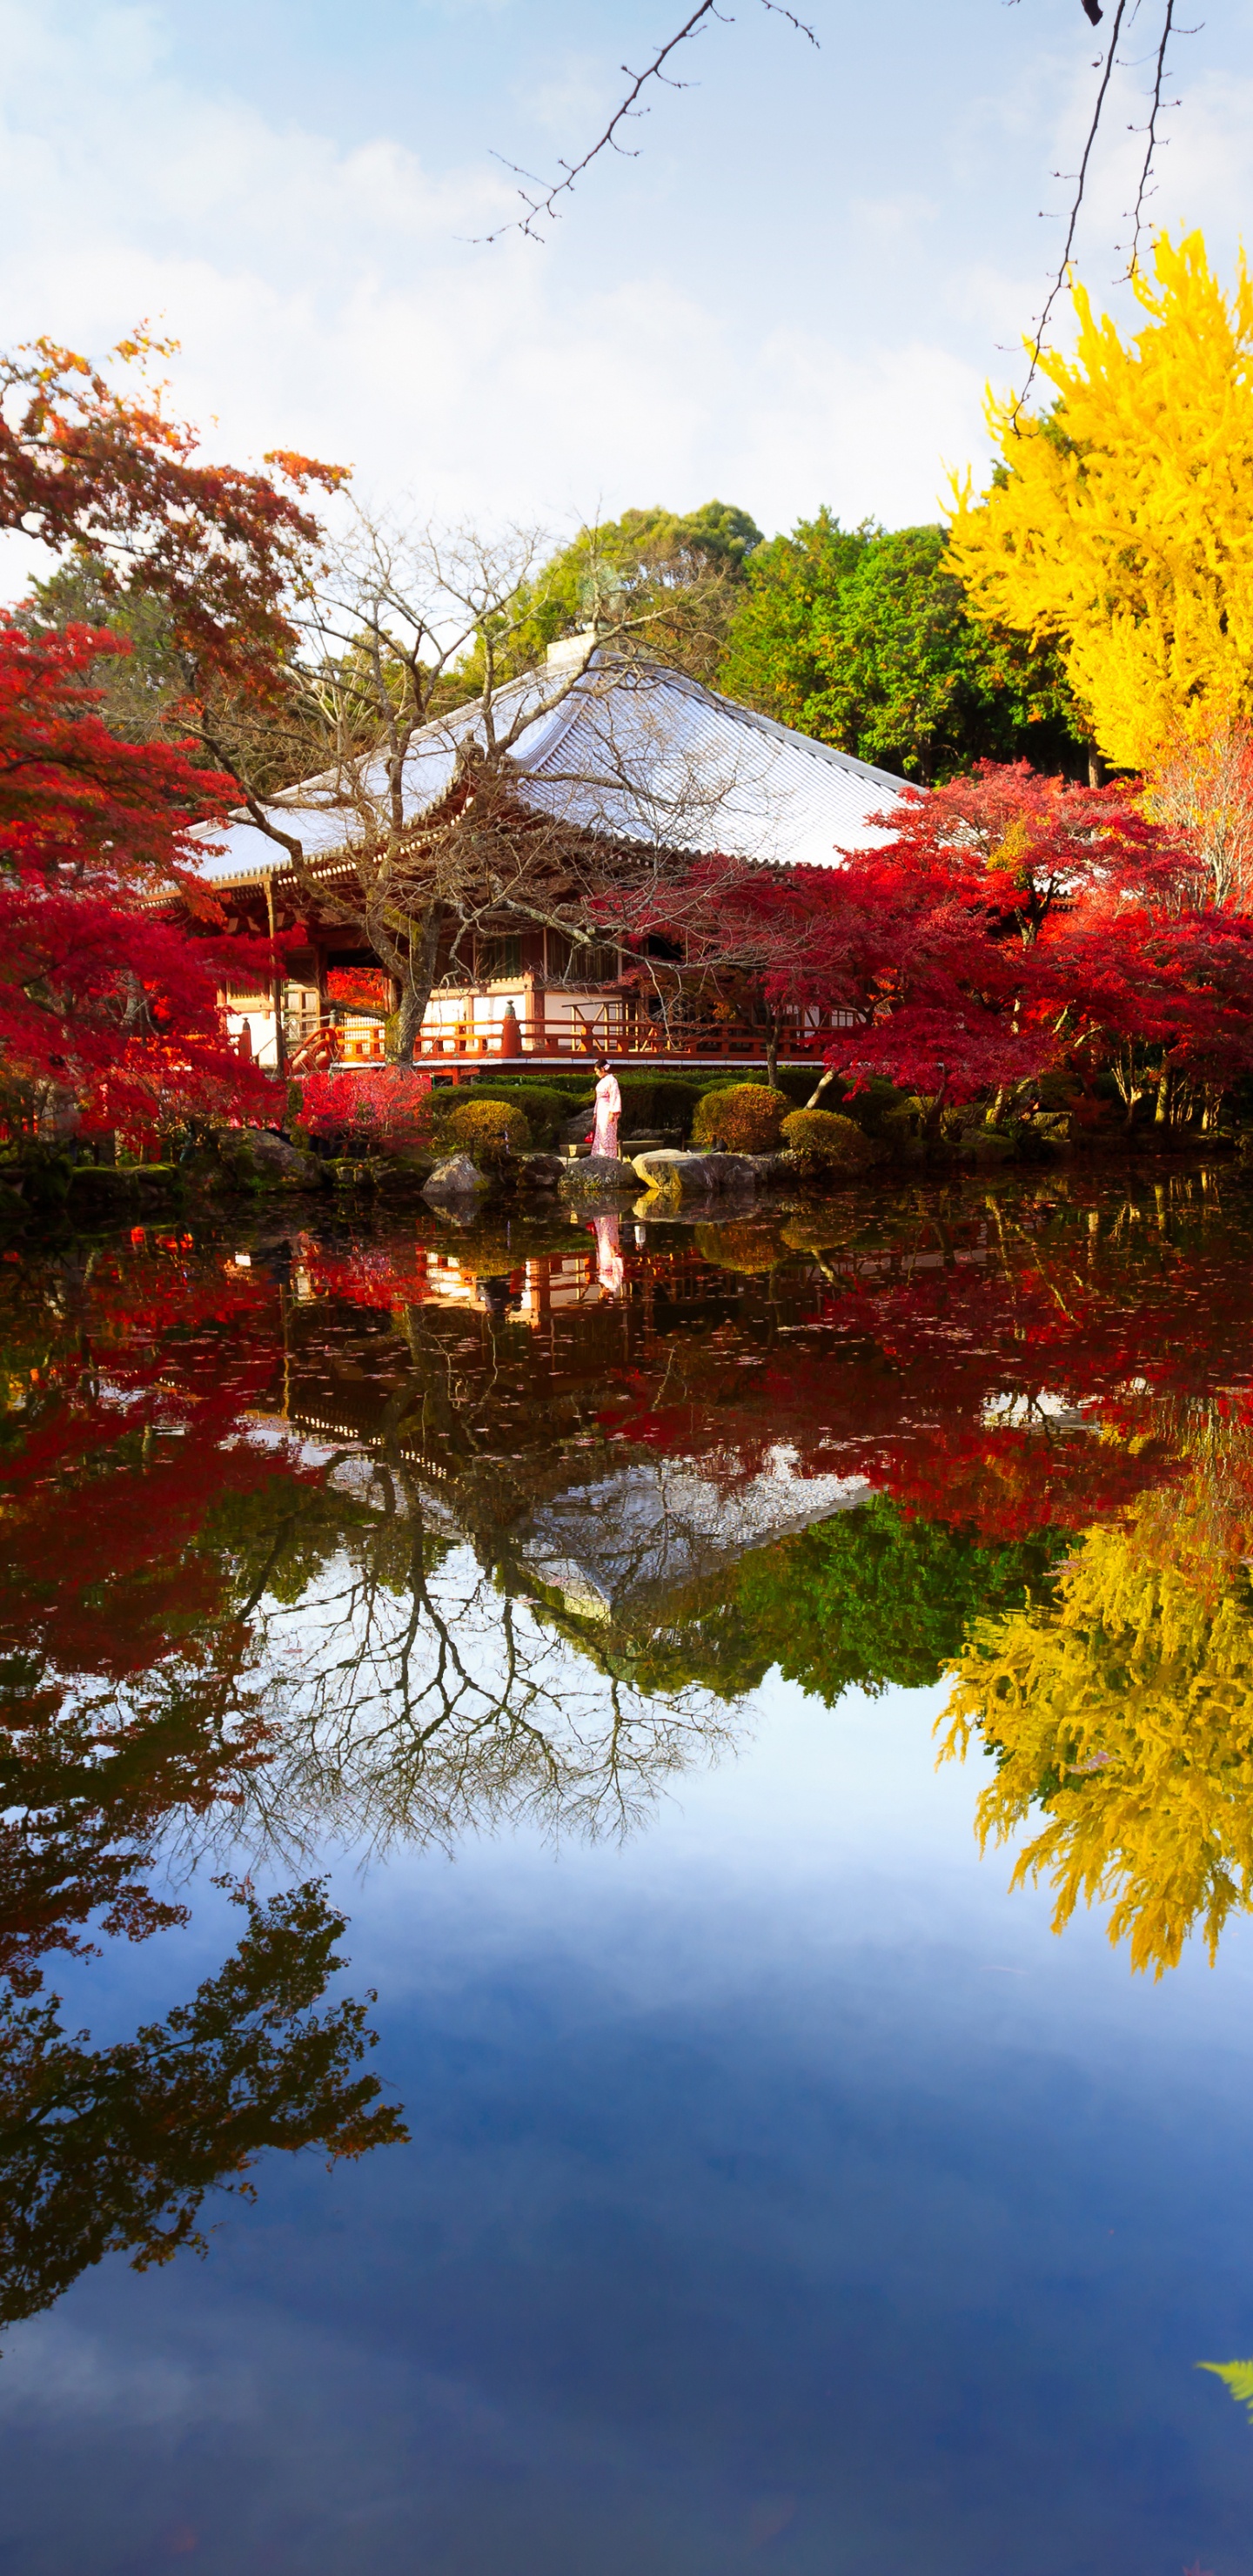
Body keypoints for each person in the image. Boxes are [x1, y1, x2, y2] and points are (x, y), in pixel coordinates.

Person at [590, 1055, 622, 1159]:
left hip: (608, 1109)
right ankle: (599, 1154)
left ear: (602, 1069)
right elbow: (598, 1098)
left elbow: (615, 1095)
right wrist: (595, 1113)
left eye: (597, 1071)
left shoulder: (612, 1080)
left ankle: (608, 1156)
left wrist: (613, 1112)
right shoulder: (603, 1081)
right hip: (601, 1109)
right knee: (600, 1131)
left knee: (607, 1131)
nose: (596, 1073)